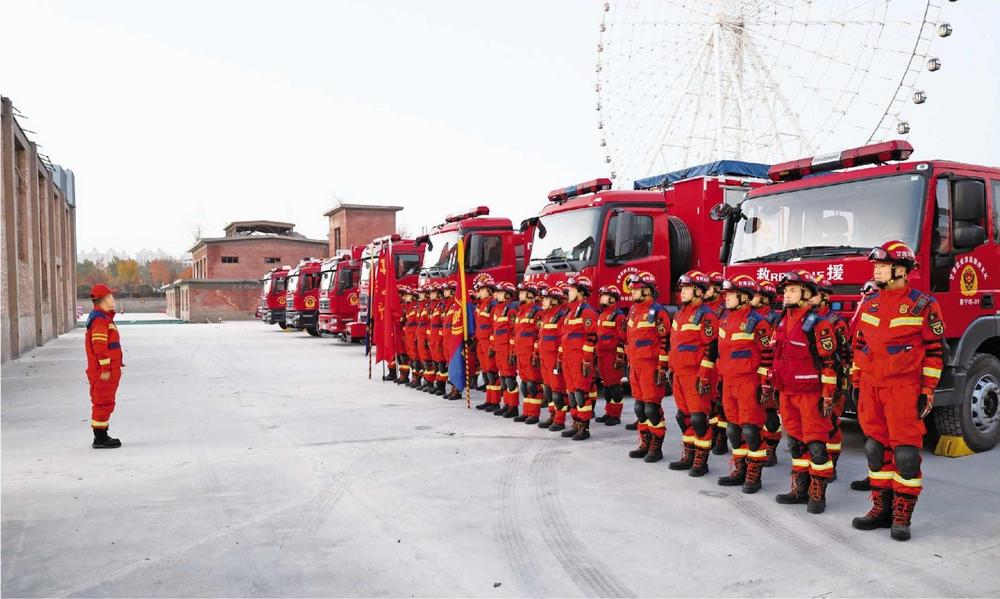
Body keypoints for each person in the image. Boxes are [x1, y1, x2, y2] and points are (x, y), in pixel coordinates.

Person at [850, 241, 944, 541]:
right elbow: (860, 345)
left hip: (903, 389)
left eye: (882, 266)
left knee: (905, 455)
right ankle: (881, 509)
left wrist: (927, 389)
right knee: (874, 449)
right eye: (876, 266)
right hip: (871, 387)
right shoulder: (870, 303)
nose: (876, 271)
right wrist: (856, 382)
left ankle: (902, 516)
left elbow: (934, 352)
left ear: (901, 270)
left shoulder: (923, 305)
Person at [771, 271, 839, 514]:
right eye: (786, 291)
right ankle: (800, 490)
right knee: (796, 443)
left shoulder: (818, 324)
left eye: (792, 290)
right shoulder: (782, 321)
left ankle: (817, 494)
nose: (787, 295)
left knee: (817, 445)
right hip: (787, 392)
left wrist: (828, 395)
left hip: (810, 394)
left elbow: (829, 363)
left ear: (807, 294)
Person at [714, 275, 774, 493]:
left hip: (749, 383)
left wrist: (765, 384)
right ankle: (739, 469)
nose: (726, 298)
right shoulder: (724, 320)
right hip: (729, 382)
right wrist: (720, 379)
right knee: (733, 429)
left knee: (751, 431)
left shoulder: (758, 322)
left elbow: (768, 355)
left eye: (731, 294)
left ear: (744, 297)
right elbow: (722, 354)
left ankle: (754, 475)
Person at [667, 271, 719, 475]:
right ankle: (689, 454)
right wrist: (671, 368)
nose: (682, 292)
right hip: (679, 374)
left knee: (698, 419)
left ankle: (701, 460)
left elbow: (711, 348)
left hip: (696, 375)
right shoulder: (680, 313)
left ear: (698, 291)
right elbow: (674, 344)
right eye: (682, 288)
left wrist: (704, 375)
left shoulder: (706, 315)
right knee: (683, 417)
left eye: (687, 288)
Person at [624, 274, 671, 462]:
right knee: (640, 408)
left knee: (652, 408)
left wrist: (662, 367)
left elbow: (665, 341)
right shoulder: (633, 310)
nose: (632, 292)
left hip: (650, 366)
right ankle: (645, 442)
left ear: (648, 290)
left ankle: (656, 447)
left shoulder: (658, 312)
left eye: (636, 289)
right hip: (635, 365)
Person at [811, 273, 852, 476]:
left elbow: (843, 354)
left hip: (832, 378)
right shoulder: (805, 319)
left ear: (825, 296)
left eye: (814, 293)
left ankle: (831, 462)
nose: (810, 297)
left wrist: (839, 381)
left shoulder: (836, 321)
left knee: (831, 422)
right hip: (810, 379)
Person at [558, 276, 600, 441]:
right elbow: (564, 337)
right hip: (568, 359)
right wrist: (561, 357)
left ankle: (584, 427)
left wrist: (587, 360)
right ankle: (576, 423)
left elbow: (592, 337)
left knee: (581, 393)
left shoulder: (587, 312)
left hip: (580, 360)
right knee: (572, 394)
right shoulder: (569, 312)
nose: (569, 292)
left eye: (572, 289)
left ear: (581, 293)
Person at [85, 284, 124, 449]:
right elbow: (99, 346)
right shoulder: (100, 319)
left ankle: (102, 434)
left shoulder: (103, 318)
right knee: (102, 401)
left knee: (106, 401)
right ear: (104, 300)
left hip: (107, 370)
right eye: (110, 297)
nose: (113, 300)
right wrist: (106, 369)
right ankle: (100, 438)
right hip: (102, 371)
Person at [752, 279, 783, 466]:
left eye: (755, 294)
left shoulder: (773, 319)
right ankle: (758, 446)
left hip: (767, 371)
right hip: (750, 372)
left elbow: (773, 349)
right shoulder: (751, 316)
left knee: (770, 414)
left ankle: (771, 448)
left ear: (764, 298)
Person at [535, 286, 570, 432]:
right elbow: (541, 337)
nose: (543, 301)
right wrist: (537, 353)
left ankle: (559, 420)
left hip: (554, 359)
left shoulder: (561, 317)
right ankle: (552, 415)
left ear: (554, 301)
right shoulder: (546, 316)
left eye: (546, 299)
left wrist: (559, 359)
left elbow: (563, 340)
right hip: (545, 358)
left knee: (557, 391)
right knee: (548, 390)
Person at [511, 282, 545, 424]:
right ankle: (526, 412)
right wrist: (513, 351)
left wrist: (535, 352)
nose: (520, 295)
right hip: (521, 353)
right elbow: (516, 334)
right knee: (524, 385)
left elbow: (539, 335)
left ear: (530, 294)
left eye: (523, 292)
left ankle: (534, 414)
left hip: (530, 353)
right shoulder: (520, 311)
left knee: (533, 384)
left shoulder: (537, 312)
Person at [594, 285, 628, 426]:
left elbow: (622, 338)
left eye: (605, 296)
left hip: (612, 355)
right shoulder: (602, 314)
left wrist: (619, 357)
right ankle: (608, 412)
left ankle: (616, 415)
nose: (601, 298)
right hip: (602, 354)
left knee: (615, 387)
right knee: (607, 387)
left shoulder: (618, 315)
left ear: (613, 298)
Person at [705, 271, 730, 456]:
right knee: (710, 402)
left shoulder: (725, 310)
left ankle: (721, 437)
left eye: (709, 287)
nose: (705, 291)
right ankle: (713, 433)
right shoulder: (703, 309)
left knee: (720, 402)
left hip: (721, 362)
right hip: (707, 361)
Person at [491, 282, 520, 418]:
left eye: (500, 292)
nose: (497, 294)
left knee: (509, 378)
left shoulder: (511, 310)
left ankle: (513, 407)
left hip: (507, 349)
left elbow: (514, 332)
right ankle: (507, 404)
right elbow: (494, 330)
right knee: (503, 378)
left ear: (508, 295)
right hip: (499, 348)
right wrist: (492, 346)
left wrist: (512, 351)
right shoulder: (497, 309)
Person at [473, 277, 500, 410]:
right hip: (480, 342)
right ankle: (489, 400)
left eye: (482, 289)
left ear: (489, 291)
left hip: (488, 342)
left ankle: (495, 402)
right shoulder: (480, 305)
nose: (479, 292)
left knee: (492, 373)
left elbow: (495, 327)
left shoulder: (492, 305)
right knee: (486, 372)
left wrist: (492, 345)